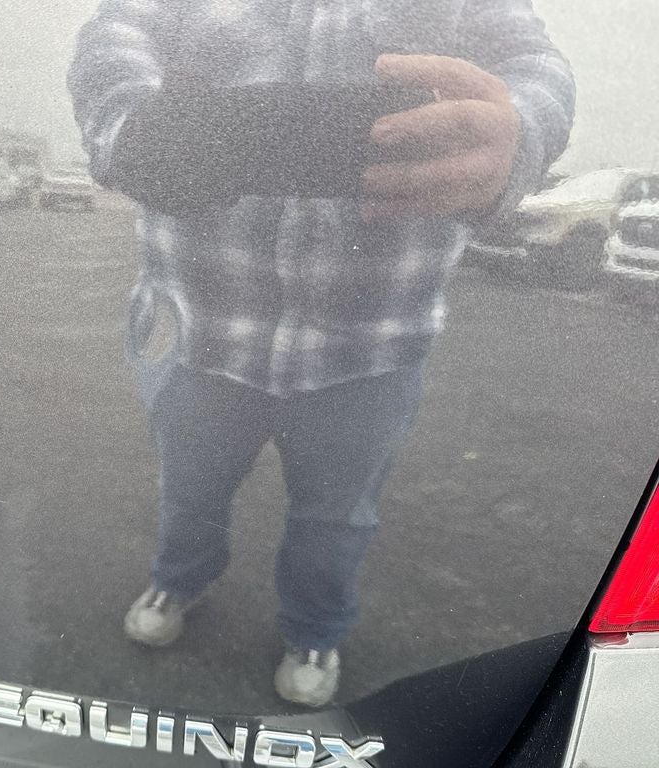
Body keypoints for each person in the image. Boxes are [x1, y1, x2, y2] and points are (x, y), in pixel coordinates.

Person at [68, 0, 574, 706]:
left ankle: (315, 629)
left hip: (374, 341)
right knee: (191, 487)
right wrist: (125, 121)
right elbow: (119, 24)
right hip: (202, 324)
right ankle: (178, 579)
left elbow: (534, 60)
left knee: (337, 517)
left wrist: (521, 133)